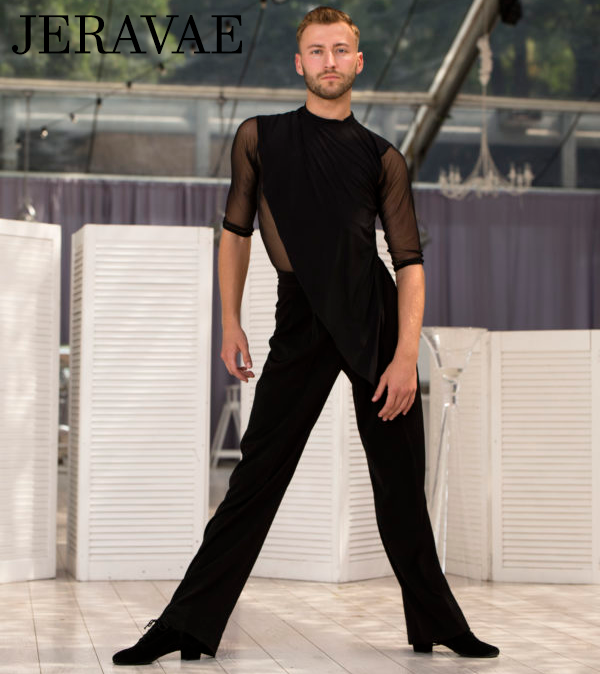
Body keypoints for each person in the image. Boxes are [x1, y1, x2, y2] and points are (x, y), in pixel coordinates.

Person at [112, 6, 499, 666]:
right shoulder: (259, 138)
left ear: (357, 62)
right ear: (299, 63)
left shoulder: (383, 157)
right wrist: (231, 320)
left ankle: (437, 623)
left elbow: (409, 263)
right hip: (299, 318)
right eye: (316, 50)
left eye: (340, 49)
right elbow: (235, 234)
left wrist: (406, 354)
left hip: (375, 320)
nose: (328, 61)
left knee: (400, 483)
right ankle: (186, 624)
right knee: (255, 477)